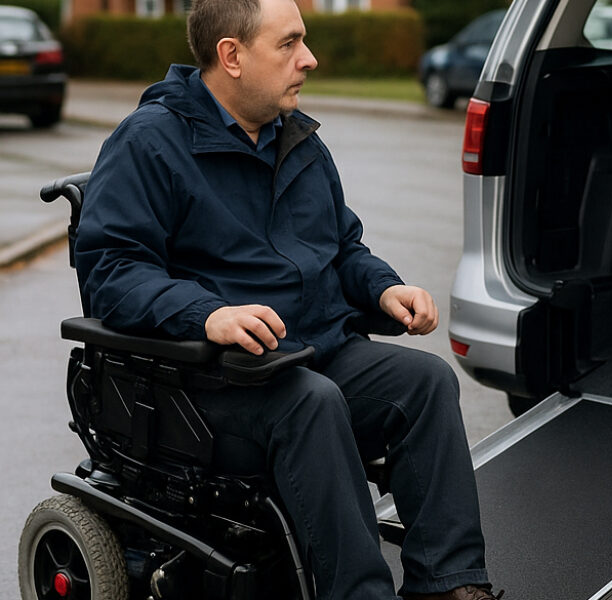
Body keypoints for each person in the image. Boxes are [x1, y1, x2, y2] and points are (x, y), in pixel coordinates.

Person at [73, 0, 499, 598]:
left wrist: (385, 287)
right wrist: (209, 314)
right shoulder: (150, 142)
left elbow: (342, 246)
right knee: (313, 403)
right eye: (290, 43)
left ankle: (450, 584)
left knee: (425, 382)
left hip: (309, 351)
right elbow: (111, 270)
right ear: (232, 56)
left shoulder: (294, 138)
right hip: (206, 382)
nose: (310, 58)